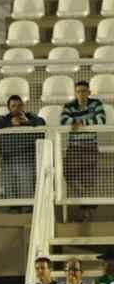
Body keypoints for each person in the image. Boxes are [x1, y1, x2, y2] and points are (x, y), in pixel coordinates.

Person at [0, 95, 45, 209]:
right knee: (10, 194)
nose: (16, 108)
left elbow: (42, 122)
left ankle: (27, 214)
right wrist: (10, 124)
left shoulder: (30, 117)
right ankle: (14, 213)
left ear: (22, 106)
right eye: (13, 106)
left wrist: (27, 122)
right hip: (7, 161)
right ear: (8, 108)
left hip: (26, 162)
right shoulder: (4, 118)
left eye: (19, 105)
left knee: (26, 193)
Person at [62, 80, 105, 222]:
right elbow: (64, 121)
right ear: (75, 93)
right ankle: (88, 202)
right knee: (67, 175)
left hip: (89, 147)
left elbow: (101, 120)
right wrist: (83, 122)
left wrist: (81, 123)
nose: (81, 94)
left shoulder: (96, 104)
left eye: (83, 91)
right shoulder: (69, 106)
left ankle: (85, 214)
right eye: (78, 91)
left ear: (89, 92)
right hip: (74, 147)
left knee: (87, 181)